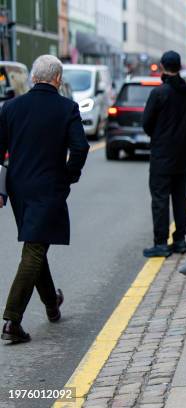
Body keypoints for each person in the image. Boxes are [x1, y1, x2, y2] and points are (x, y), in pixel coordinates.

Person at [0, 55, 89, 343]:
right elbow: (80, 147)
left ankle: (52, 303)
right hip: (48, 186)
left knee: (35, 242)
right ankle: (12, 320)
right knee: (35, 248)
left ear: (33, 77)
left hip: (18, 188)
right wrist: (69, 176)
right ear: (57, 79)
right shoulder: (66, 108)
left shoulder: (11, 107)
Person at [142, 51, 186, 258]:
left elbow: (147, 123)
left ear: (163, 67)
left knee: (160, 199)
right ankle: (180, 240)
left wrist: (157, 135)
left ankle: (161, 243)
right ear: (179, 67)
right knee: (179, 198)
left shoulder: (159, 93)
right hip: (181, 154)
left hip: (161, 154)